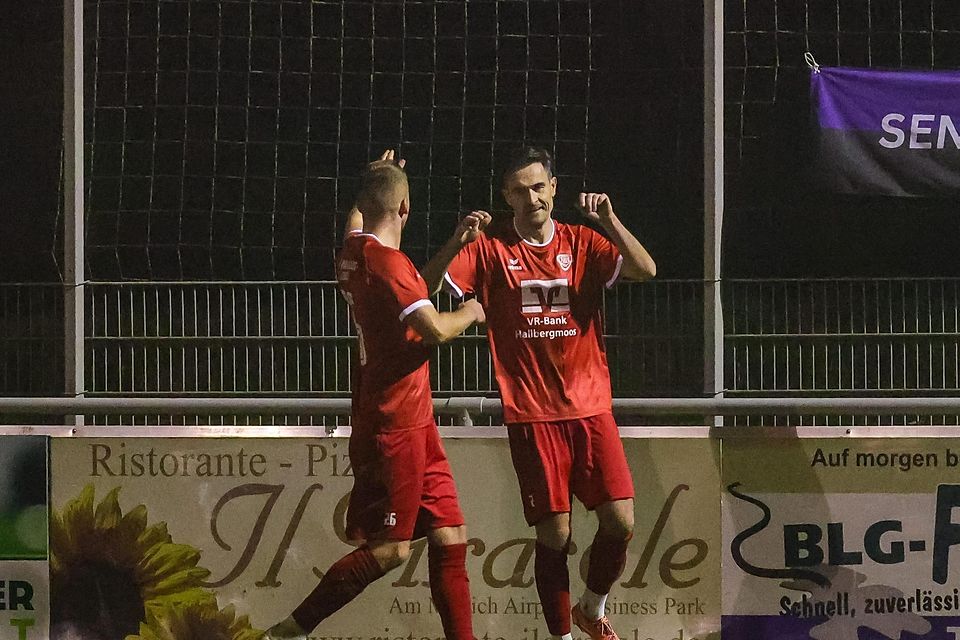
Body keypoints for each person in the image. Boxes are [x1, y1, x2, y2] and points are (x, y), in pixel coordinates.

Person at [421, 146, 657, 640]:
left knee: (621, 521)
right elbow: (426, 287)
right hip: (532, 413)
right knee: (556, 534)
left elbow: (644, 270)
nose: (531, 197)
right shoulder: (489, 248)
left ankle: (592, 608)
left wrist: (611, 221)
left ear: (553, 188)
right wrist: (457, 239)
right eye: (519, 190)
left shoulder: (583, 241)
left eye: (538, 186)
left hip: (591, 407)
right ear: (506, 196)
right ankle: (561, 636)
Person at [265, 151, 489, 640]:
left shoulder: (354, 253)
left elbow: (411, 290)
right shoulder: (388, 264)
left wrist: (454, 243)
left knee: (451, 537)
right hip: (395, 425)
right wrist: (471, 312)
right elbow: (431, 326)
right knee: (392, 550)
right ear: (406, 208)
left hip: (413, 421)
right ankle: (290, 630)